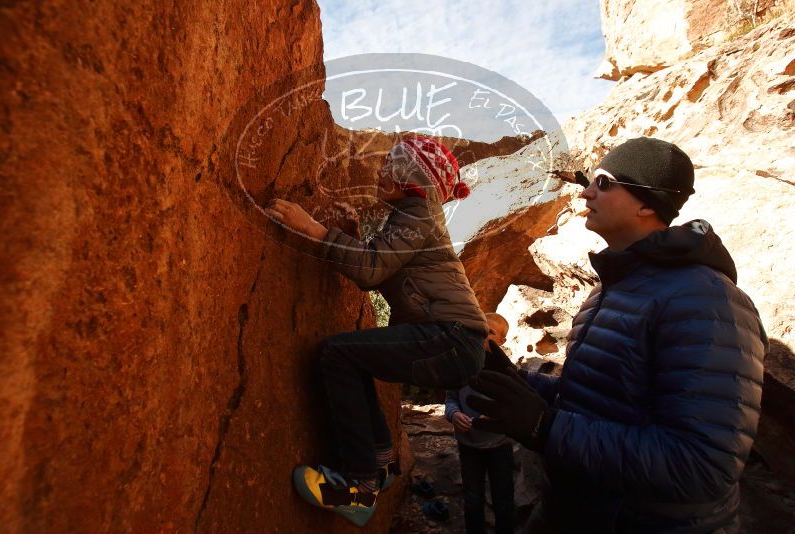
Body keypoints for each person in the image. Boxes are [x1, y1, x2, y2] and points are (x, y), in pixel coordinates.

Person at [467, 137, 768, 533]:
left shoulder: (706, 300)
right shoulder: (609, 291)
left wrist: (546, 427)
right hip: (575, 510)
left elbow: (702, 465)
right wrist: (519, 384)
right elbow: (599, 401)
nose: (587, 192)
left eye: (604, 183)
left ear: (647, 204)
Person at [265, 137, 488, 527]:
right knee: (358, 359)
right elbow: (383, 264)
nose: (382, 171)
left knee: (338, 353)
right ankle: (381, 461)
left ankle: (358, 488)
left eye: (393, 166)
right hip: (452, 340)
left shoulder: (419, 211)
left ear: (413, 179)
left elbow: (371, 269)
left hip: (452, 338)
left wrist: (316, 231)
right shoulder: (416, 214)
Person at [446, 312, 515, 534]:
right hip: (469, 445)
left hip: (499, 445)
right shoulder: (462, 365)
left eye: (491, 333)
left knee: (503, 500)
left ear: (502, 341)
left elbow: (516, 405)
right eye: (480, 331)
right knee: (473, 500)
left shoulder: (507, 370)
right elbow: (451, 399)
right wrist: (454, 414)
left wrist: (499, 417)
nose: (483, 336)